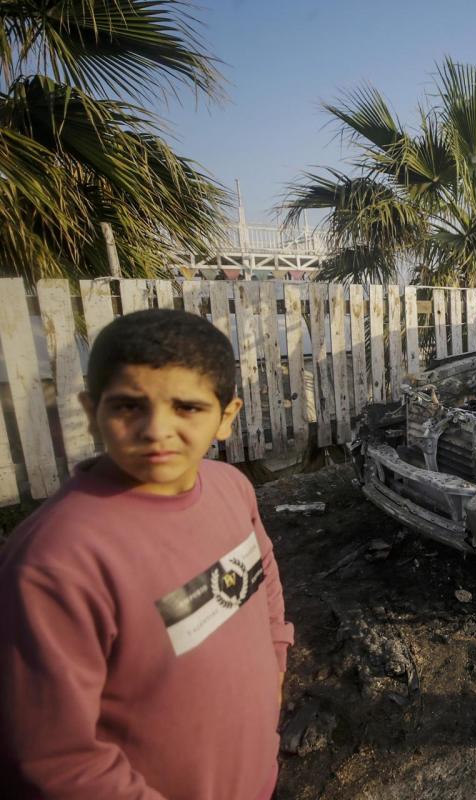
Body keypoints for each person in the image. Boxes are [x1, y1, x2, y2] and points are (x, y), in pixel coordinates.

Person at [0, 309, 293, 799]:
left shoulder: (231, 488)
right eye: (128, 407)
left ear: (226, 417)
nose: (157, 429)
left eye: (187, 407)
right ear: (92, 411)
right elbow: (54, 758)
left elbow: (261, 571)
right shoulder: (55, 563)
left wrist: (277, 656)